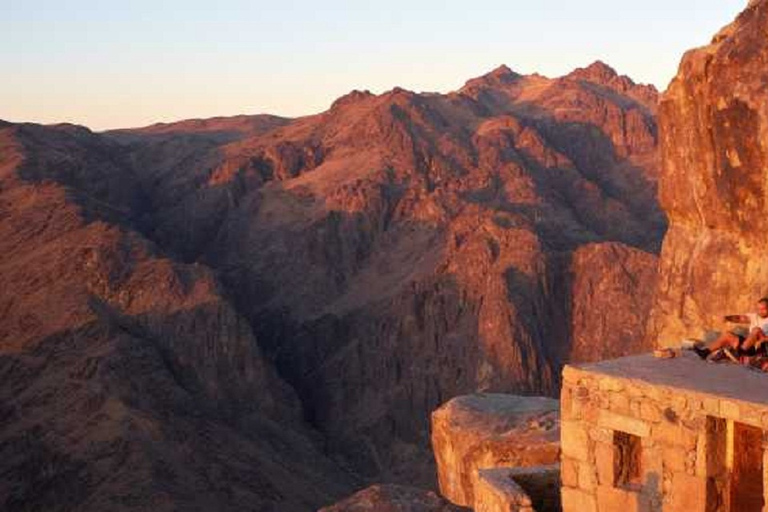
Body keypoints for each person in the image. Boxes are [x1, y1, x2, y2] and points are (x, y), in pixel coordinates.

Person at [694, 297, 768, 360]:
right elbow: (740, 318)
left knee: (756, 330)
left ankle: (739, 353)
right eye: (758, 309)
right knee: (727, 335)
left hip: (761, 347)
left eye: (763, 309)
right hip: (748, 346)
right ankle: (705, 352)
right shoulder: (754, 316)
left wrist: (763, 339)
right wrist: (728, 318)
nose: (760, 311)